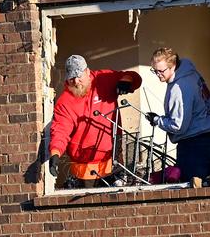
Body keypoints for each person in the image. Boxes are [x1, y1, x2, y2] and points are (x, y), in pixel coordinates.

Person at [47, 55, 142, 187]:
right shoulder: (65, 102)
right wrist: (55, 153)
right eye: (71, 78)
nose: (76, 81)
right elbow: (60, 130)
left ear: (87, 71)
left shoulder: (104, 79)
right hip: (82, 167)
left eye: (79, 76)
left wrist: (126, 81)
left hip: (111, 161)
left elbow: (133, 76)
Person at [145, 47, 210, 182]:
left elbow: (178, 125)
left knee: (193, 192)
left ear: (172, 66)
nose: (158, 74)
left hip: (194, 146)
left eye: (161, 71)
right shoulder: (191, 73)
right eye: (154, 71)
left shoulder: (179, 87)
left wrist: (157, 120)